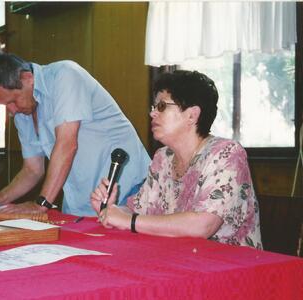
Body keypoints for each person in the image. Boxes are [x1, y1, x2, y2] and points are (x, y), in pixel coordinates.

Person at [91, 70, 262, 249]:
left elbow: (202, 225)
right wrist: (111, 210)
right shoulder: (163, 157)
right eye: (154, 107)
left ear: (192, 115)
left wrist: (129, 221)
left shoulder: (226, 153)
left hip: (232, 269)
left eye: (162, 106)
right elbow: (137, 212)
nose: (153, 114)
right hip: (179, 261)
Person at [0, 53, 151, 216]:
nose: (12, 111)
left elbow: (67, 144)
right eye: (5, 106)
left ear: (28, 77)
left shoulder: (65, 75)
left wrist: (41, 204)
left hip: (127, 190)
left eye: (13, 101)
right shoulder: (24, 111)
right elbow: (33, 169)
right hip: (84, 205)